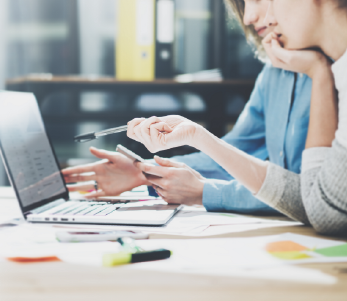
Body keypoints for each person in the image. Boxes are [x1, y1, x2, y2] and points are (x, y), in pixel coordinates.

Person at [127, 0, 347, 265]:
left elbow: (325, 211)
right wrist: (191, 139)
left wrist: (318, 75)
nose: (252, 16)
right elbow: (318, 197)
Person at [63, 0, 313, 215]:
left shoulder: (331, 73)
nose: (248, 17)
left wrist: (205, 192)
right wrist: (146, 171)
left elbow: (310, 196)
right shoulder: (274, 72)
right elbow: (231, 154)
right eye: (243, 3)